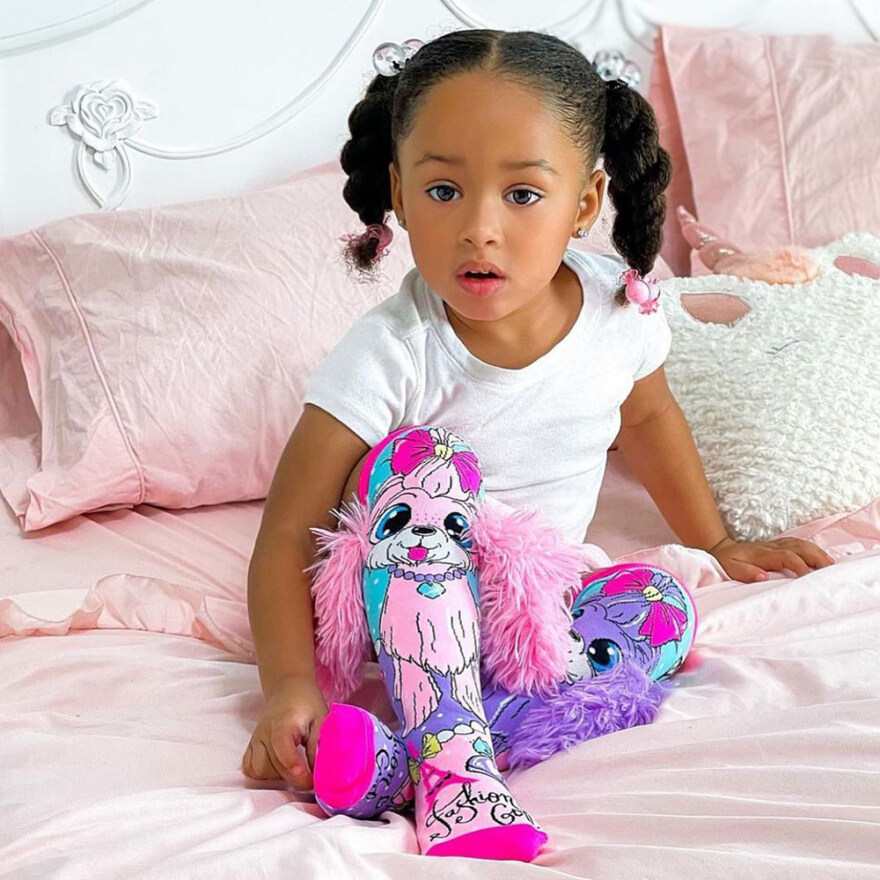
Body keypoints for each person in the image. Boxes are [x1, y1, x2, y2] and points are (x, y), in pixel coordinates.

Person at [242, 28, 834, 808]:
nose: (480, 228)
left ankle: (471, 734)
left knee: (660, 609)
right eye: (444, 191)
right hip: (417, 599)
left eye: (522, 195)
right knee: (427, 469)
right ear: (399, 194)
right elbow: (290, 529)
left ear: (584, 204)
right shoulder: (392, 351)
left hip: (539, 610)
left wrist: (717, 542)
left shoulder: (616, 310)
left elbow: (648, 419)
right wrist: (290, 687)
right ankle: (444, 749)